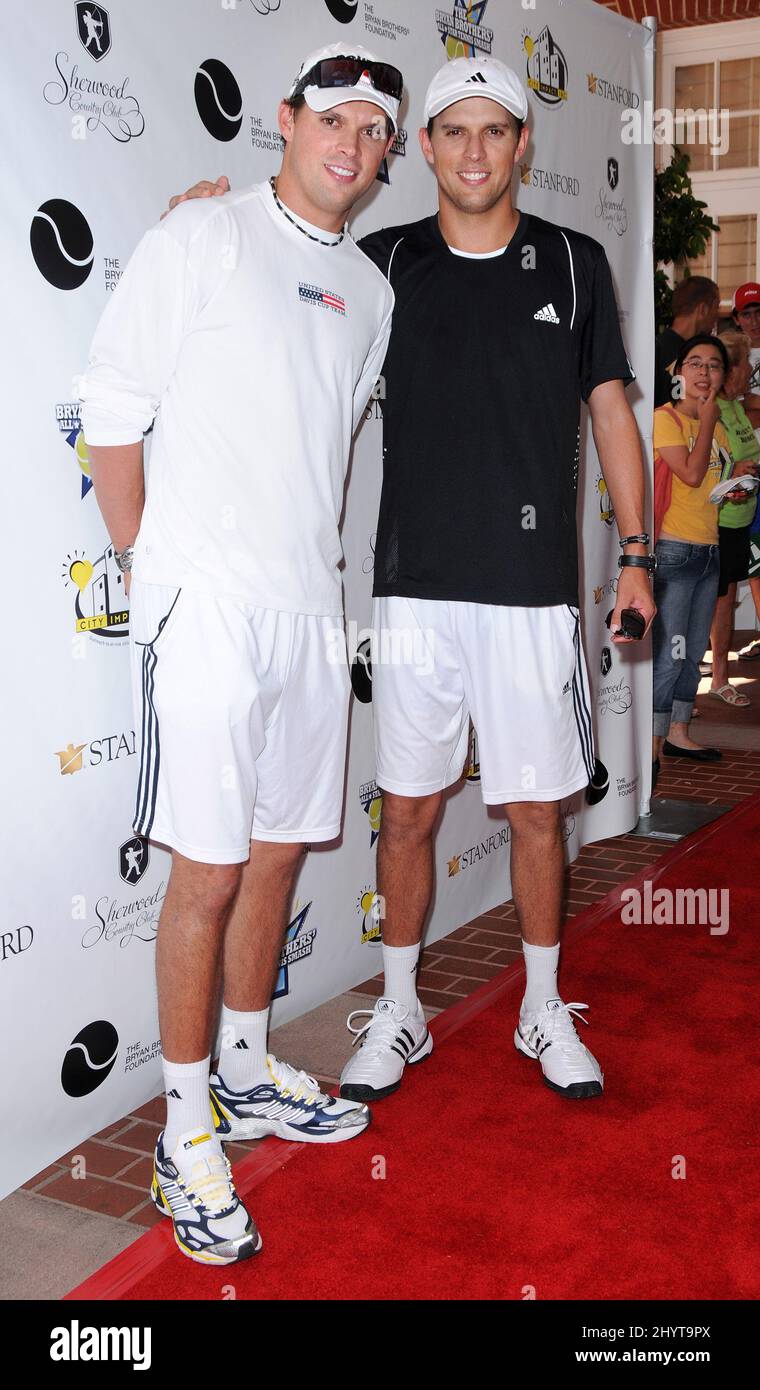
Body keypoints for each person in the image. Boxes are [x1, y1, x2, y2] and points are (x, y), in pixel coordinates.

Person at [169, 56, 656, 1107]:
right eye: (453, 132)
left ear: (522, 146)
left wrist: (635, 557)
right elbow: (272, 263)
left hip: (533, 598)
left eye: (495, 131)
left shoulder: (573, 263)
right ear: (421, 149)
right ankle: (402, 1007)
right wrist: (195, 218)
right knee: (408, 816)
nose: (474, 151)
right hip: (408, 594)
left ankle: (538, 1003)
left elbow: (612, 412)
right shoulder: (377, 264)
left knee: (534, 812)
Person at [78, 43, 402, 1266]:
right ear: (286, 120)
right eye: (336, 119)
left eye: (376, 132)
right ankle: (184, 1134)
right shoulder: (202, 237)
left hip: (308, 614)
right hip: (200, 608)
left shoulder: (371, 292)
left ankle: (253, 1070)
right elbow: (114, 406)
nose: (354, 146)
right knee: (206, 875)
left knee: (274, 860)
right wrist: (144, 571)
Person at [651, 335, 752, 783]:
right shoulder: (665, 419)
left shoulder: (721, 426)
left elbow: (710, 481)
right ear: (678, 372)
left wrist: (737, 478)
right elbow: (690, 474)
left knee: (693, 652)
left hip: (711, 546)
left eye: (713, 366)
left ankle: (679, 731)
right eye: (694, 364)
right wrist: (708, 420)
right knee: (668, 656)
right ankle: (651, 747)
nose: (703, 373)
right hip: (674, 549)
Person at [707, 330, 760, 705]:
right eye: (744, 364)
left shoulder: (739, 406)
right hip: (719, 523)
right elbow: (706, 467)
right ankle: (718, 679)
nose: (750, 370)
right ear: (731, 369)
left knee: (725, 602)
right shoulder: (713, 410)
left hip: (743, 520)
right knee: (719, 602)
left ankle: (718, 678)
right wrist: (733, 475)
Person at [654, 276, 720, 409]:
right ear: (703, 309)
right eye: (716, 308)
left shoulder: (658, 347)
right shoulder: (656, 350)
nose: (717, 316)